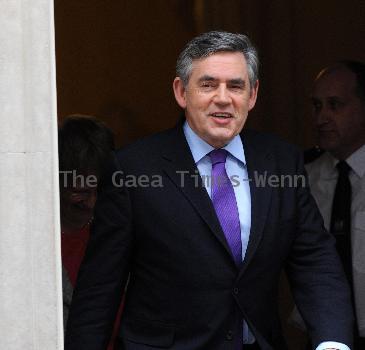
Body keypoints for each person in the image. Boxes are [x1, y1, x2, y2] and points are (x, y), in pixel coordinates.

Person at [65, 31, 353, 350]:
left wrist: (333, 343)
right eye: (208, 84)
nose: (223, 97)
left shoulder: (282, 161)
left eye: (235, 85)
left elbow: (314, 258)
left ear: (253, 94)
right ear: (181, 91)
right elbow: (100, 289)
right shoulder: (132, 168)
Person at [297, 61, 365, 349]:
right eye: (317, 105)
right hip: (323, 337)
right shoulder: (303, 177)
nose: (322, 117)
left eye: (335, 105)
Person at [59, 115, 119, 349]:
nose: (91, 203)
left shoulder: (114, 233)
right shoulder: (34, 239)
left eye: (99, 190)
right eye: (80, 192)